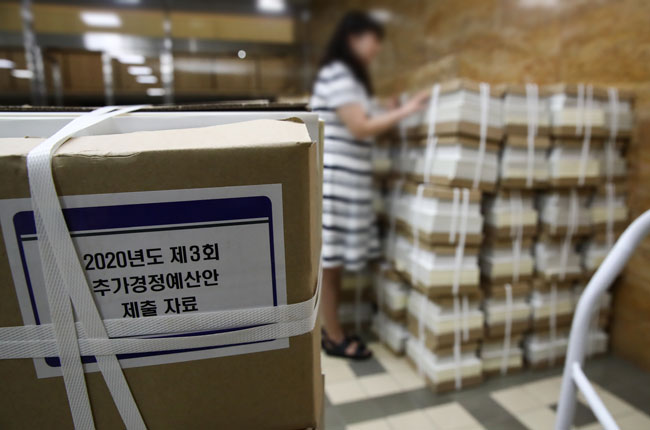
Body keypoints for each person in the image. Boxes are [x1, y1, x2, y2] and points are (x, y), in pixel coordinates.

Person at [310, 10, 429, 360]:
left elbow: (360, 116)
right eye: (374, 40)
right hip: (336, 184)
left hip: (345, 183)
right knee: (330, 265)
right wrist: (406, 110)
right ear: (354, 38)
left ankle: (332, 330)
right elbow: (360, 127)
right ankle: (333, 336)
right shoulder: (338, 74)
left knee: (333, 264)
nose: (376, 48)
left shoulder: (347, 78)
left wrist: (384, 108)